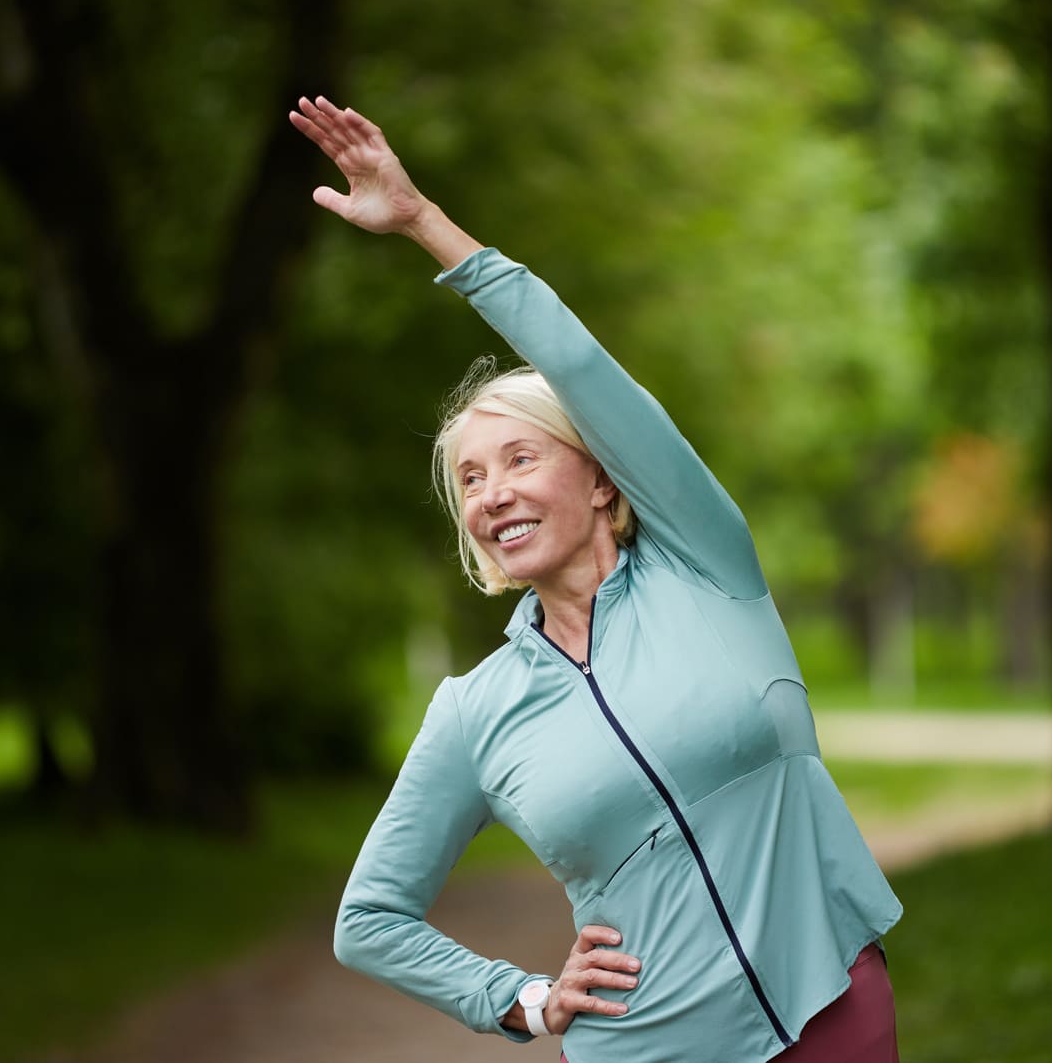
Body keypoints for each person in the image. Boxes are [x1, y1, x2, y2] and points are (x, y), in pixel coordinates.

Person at [289, 96, 904, 1062]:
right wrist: (520, 998)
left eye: (521, 459)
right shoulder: (474, 710)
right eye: (469, 481)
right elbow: (368, 918)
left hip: (827, 1001)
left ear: (602, 474)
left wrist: (422, 224)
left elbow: (577, 361)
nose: (492, 494)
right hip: (646, 1048)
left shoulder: (706, 566)